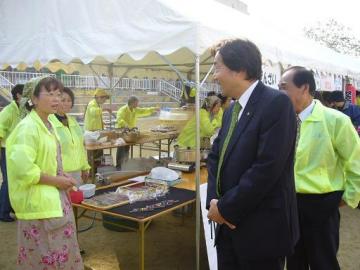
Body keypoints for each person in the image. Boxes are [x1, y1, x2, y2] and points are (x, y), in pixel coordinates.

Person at [206, 39, 299, 270]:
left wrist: (226, 209)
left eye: (218, 67)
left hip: (261, 231)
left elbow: (266, 168)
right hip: (227, 228)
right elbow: (215, 157)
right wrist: (214, 205)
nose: (214, 76)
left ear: (240, 70)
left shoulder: (276, 103)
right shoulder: (231, 111)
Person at [278, 66, 360, 270]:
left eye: (284, 87)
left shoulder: (335, 120)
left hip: (322, 204)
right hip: (290, 204)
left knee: (323, 263)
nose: (279, 92)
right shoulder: (283, 121)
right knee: (295, 261)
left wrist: (347, 197)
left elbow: (355, 161)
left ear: (304, 88)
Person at [6, 76, 83, 269]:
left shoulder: (47, 124)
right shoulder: (27, 128)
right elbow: (25, 170)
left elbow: (48, 162)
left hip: (53, 202)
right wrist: (57, 180)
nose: (56, 99)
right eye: (50, 94)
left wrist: (61, 174)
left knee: (61, 253)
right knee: (44, 257)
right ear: (33, 98)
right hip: (38, 206)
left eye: (58, 94)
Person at [49, 87, 90, 186]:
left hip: (77, 173)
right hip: (61, 175)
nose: (67, 103)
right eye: (63, 100)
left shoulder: (73, 122)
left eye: (69, 100)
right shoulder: (49, 123)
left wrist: (85, 167)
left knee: (76, 199)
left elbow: (80, 147)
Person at [0, 84, 23, 222]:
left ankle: (11, 206)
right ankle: (3, 212)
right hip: (6, 150)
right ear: (18, 95)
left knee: (16, 180)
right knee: (8, 181)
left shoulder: (22, 110)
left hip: (17, 150)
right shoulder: (8, 111)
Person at [115, 95, 158, 168]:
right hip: (121, 131)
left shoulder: (135, 109)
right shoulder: (122, 110)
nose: (137, 105)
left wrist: (153, 109)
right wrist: (126, 125)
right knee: (121, 148)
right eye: (136, 103)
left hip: (129, 132)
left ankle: (125, 164)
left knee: (127, 148)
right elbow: (119, 119)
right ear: (132, 103)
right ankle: (119, 165)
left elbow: (143, 110)